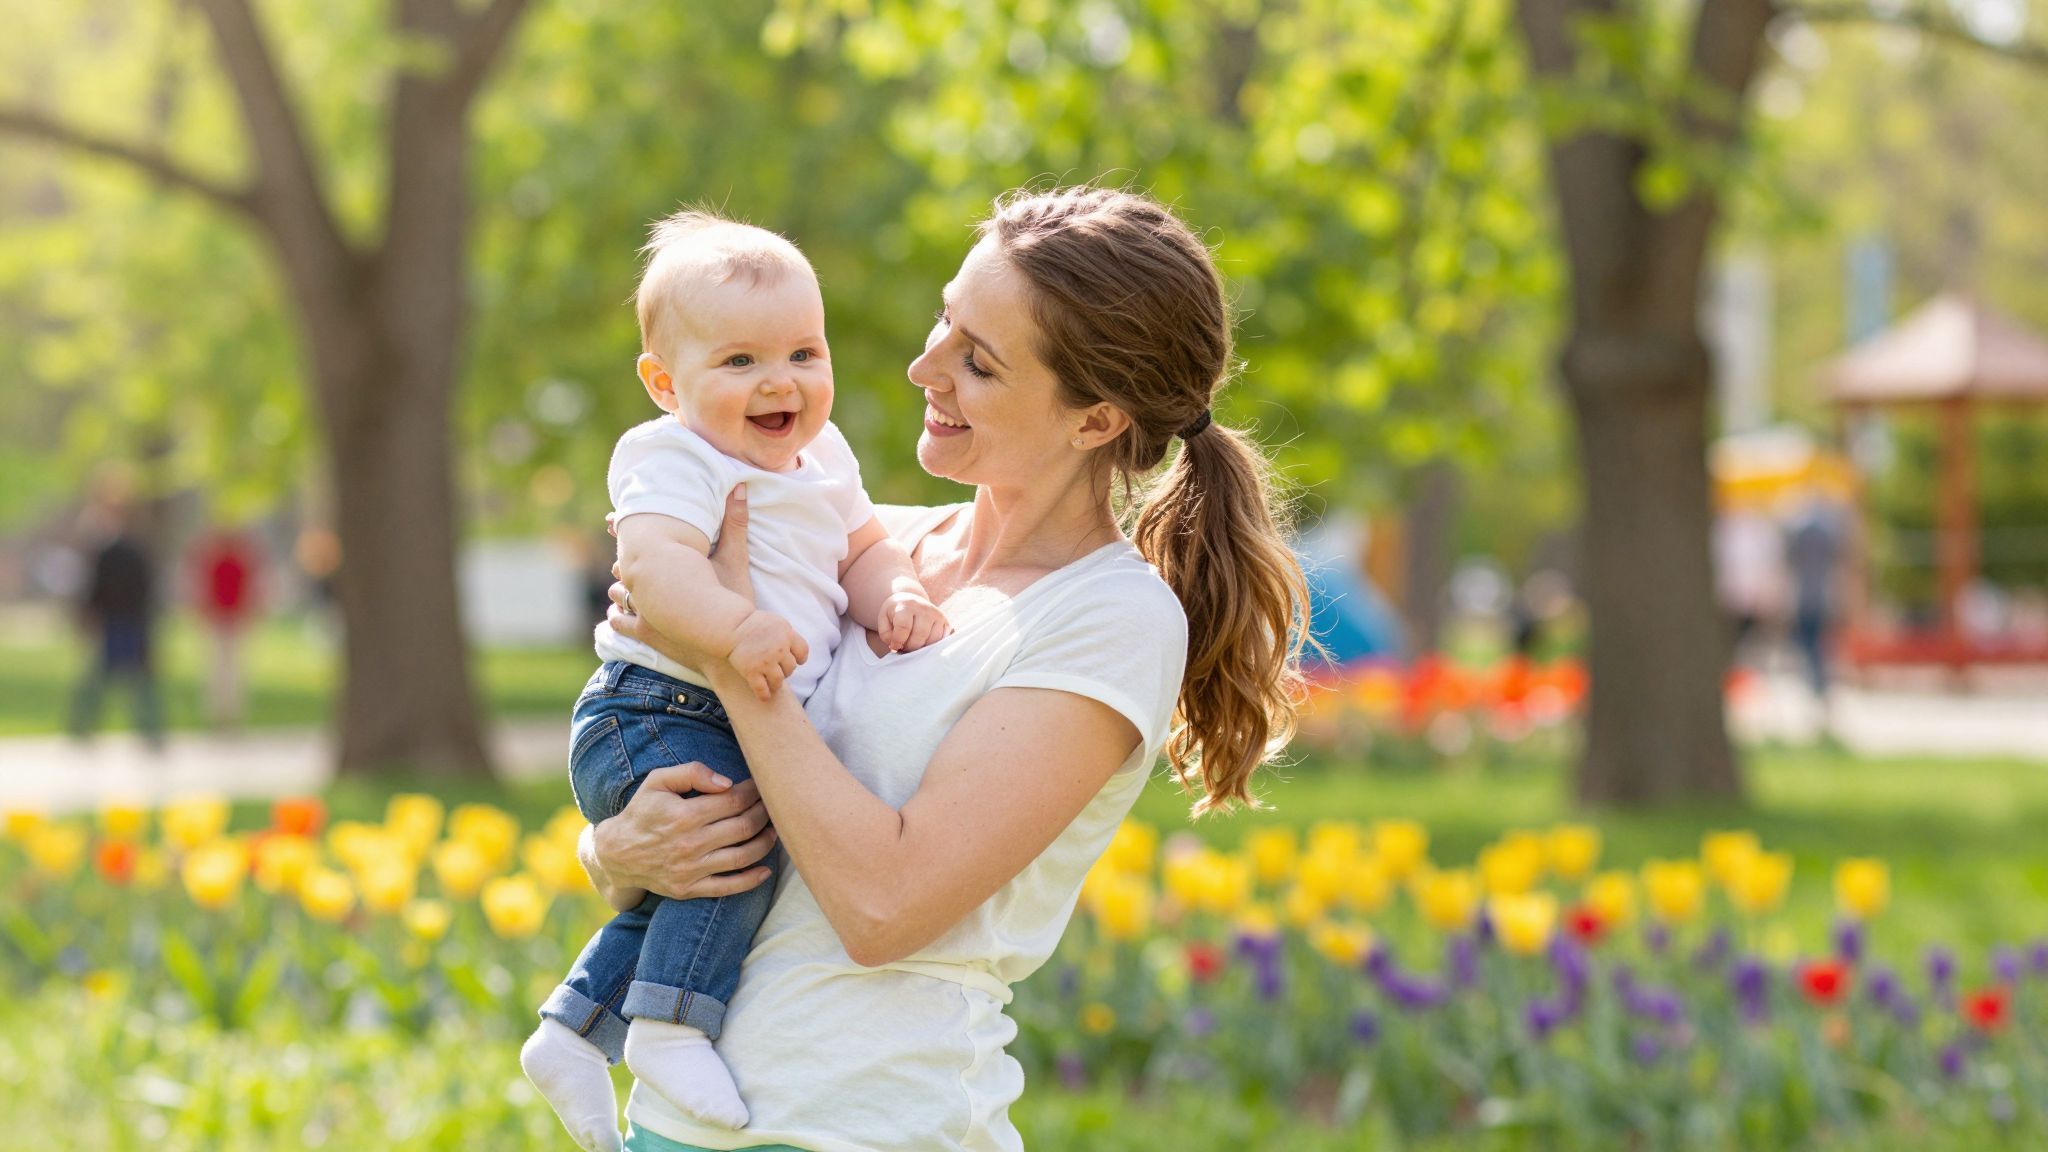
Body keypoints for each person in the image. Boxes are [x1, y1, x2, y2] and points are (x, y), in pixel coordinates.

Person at [582, 186, 1309, 1152]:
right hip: (677, 1124)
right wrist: (617, 853)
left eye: (978, 362)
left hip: (869, 1127)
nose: (924, 367)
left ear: (1094, 421)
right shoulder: (856, 546)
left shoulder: (1109, 619)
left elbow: (883, 908)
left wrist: (729, 659)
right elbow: (680, 755)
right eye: (944, 320)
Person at [521, 209, 949, 1151]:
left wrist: (896, 593)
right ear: (664, 383)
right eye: (741, 361)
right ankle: (670, 1028)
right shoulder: (672, 456)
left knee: (712, 857)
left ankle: (574, 1032)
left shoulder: (825, 458)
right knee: (737, 849)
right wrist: (734, 629)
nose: (780, 381)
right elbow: (655, 568)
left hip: (717, 707)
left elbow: (864, 548)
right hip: (656, 707)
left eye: (803, 353)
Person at [67, 502, 164, 749]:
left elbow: (97, 590)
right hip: (130, 622)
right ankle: (150, 731)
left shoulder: (109, 554)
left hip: (118, 622)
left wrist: (88, 615)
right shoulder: (138, 553)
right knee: (136, 681)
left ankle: (84, 727)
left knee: (114, 680)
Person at [188, 527, 261, 730]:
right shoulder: (217, 560)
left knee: (232, 669)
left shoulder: (237, 561)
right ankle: (220, 713)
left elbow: (249, 590)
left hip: (233, 618)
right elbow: (203, 589)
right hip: (219, 618)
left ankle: (231, 713)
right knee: (218, 669)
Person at [1784, 498, 1846, 703]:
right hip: (1823, 597)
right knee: (1818, 643)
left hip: (1805, 597)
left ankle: (1816, 681)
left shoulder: (1799, 532)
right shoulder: (1828, 532)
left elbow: (1789, 561)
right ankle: (1819, 681)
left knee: (1808, 642)